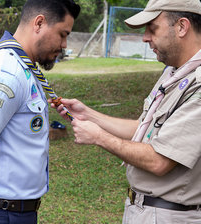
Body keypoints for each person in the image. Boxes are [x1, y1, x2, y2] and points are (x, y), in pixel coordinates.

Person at [51, 0, 201, 223]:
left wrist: (99, 137)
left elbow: (160, 161)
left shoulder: (197, 84)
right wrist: (88, 114)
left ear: (181, 26)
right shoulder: (175, 73)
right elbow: (145, 128)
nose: (145, 38)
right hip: (145, 209)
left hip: (170, 215)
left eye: (152, 28)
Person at [0, 1, 80, 223]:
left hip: (15, 212)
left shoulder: (23, 66)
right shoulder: (6, 73)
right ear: (39, 23)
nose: (64, 44)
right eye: (62, 34)